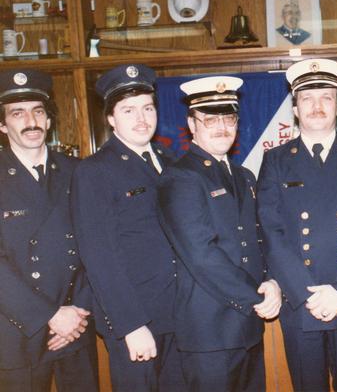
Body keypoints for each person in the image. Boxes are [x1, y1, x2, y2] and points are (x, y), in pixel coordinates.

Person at [256, 58, 337, 391]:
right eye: (307, 98)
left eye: (326, 97)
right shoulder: (275, 161)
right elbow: (271, 232)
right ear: (295, 108)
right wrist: (306, 293)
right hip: (301, 302)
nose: (317, 106)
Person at [157, 76, 281, 391]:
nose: (222, 127)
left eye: (229, 118)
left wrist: (273, 281)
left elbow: (257, 240)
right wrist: (255, 297)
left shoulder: (243, 176)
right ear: (191, 124)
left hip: (248, 326)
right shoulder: (181, 177)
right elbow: (202, 255)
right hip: (210, 331)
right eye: (210, 119)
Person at [71, 64, 183, 392]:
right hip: (137, 318)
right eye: (128, 110)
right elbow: (99, 256)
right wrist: (131, 325)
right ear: (110, 118)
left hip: (180, 315)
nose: (141, 119)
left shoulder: (171, 161)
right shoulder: (95, 171)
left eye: (148, 108)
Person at [0, 68, 98, 392]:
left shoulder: (78, 171)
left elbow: (96, 246)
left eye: (38, 111)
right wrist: (50, 316)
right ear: (2, 124)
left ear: (48, 119)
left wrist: (77, 312)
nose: (31, 120)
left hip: (76, 326)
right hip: (19, 332)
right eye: (18, 113)